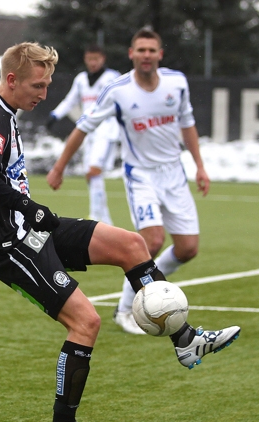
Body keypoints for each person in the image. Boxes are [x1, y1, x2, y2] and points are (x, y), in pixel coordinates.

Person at [0, 42, 240, 422]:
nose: (43, 94)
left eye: (48, 84)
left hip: (32, 230)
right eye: (37, 86)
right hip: (8, 245)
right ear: (11, 80)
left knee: (131, 244)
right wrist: (27, 207)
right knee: (87, 322)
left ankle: (185, 340)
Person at [47, 28, 211, 336]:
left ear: (160, 54)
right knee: (151, 241)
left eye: (152, 50)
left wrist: (200, 166)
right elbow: (82, 127)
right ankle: (127, 309)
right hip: (141, 175)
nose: (146, 55)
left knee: (188, 248)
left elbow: (187, 125)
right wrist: (59, 167)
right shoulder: (118, 89)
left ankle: (153, 287)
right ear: (131, 54)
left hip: (174, 173)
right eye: (141, 50)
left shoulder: (176, 83)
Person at [46, 45, 120, 224]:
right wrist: (55, 114)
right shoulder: (81, 80)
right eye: (89, 59)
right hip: (88, 131)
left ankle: (95, 217)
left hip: (106, 129)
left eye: (96, 59)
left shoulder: (112, 78)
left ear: (103, 59)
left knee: (93, 171)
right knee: (91, 174)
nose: (93, 63)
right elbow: (70, 100)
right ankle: (106, 221)